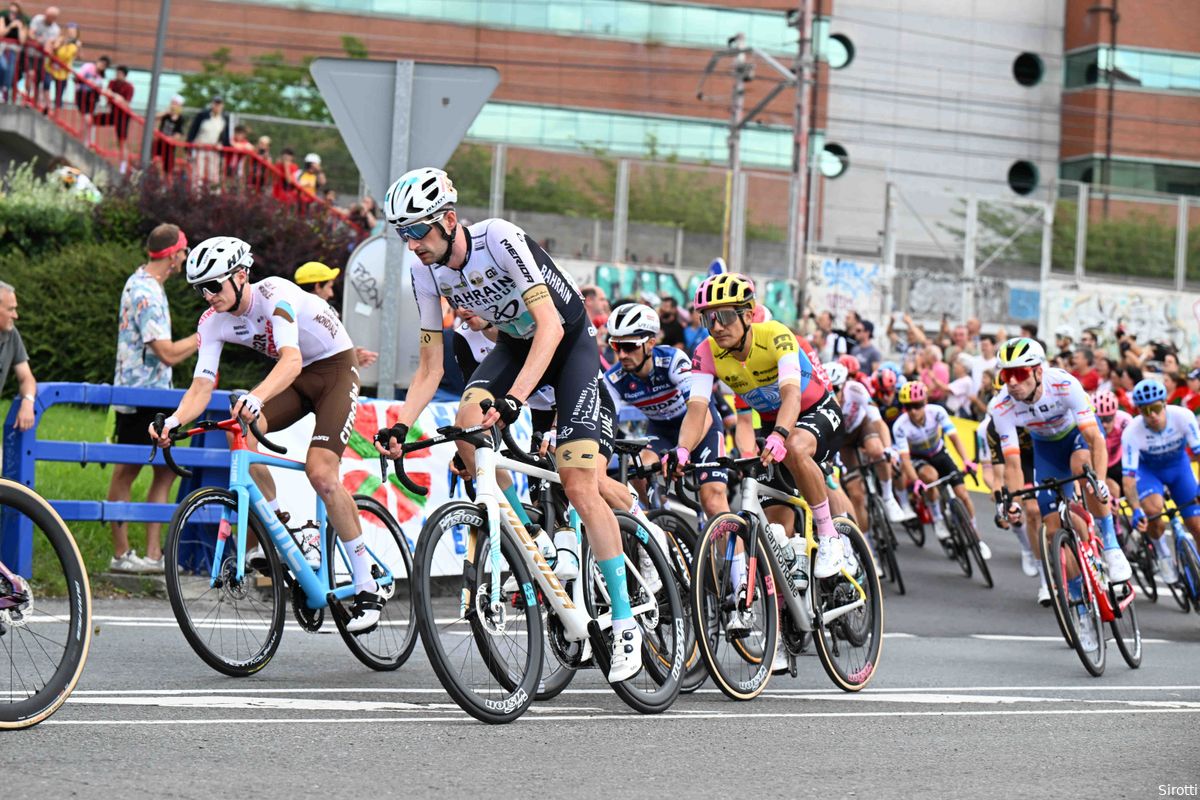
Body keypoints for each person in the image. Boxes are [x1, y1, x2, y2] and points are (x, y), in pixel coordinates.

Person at [376, 166, 643, 682]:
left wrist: (519, 398)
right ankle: (531, 536)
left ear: (448, 220)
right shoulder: (424, 271)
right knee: (467, 420)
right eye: (401, 233)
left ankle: (626, 620)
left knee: (578, 483)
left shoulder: (498, 239)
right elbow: (431, 366)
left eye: (416, 231)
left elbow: (549, 326)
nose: (410, 245)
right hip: (516, 346)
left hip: (568, 346)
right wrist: (400, 424)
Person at [150, 236, 384, 632]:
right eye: (199, 289)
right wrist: (172, 422)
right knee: (240, 431)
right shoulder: (213, 321)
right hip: (296, 377)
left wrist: (256, 397)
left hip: (333, 370)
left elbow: (291, 360)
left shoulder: (275, 293)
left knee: (322, 473)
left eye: (214, 285)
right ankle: (281, 529)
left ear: (241, 276)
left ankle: (367, 586)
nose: (207, 296)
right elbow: (201, 386)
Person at [992, 337, 1132, 643]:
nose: (1012, 382)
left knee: (1084, 468)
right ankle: (1082, 610)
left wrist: (1100, 482)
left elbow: (1095, 439)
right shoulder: (1001, 405)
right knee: (1054, 530)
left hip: (1077, 439)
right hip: (1046, 451)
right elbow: (1013, 464)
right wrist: (1014, 501)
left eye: (1019, 373)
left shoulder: (1064, 385)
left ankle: (1110, 546)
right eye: (1006, 375)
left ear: (1039, 371)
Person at [107, 225, 199, 573]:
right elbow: (166, 353)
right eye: (185, 250)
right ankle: (121, 556)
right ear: (172, 255)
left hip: (155, 394)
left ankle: (153, 555)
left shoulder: (149, 285)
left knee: (164, 473)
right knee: (127, 470)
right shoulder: (145, 290)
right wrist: (204, 336)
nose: (187, 257)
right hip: (140, 396)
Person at [1121, 379, 1200, 587]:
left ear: (1164, 403)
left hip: (1179, 468)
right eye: (1145, 411)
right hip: (1150, 473)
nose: (1152, 415)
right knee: (1154, 514)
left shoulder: (1183, 417)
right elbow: (1128, 479)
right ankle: (1163, 553)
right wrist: (1136, 509)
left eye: (1155, 408)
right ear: (1138, 410)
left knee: (1197, 526)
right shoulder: (1131, 432)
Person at [892, 381, 986, 555]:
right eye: (909, 407)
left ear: (925, 402)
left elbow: (954, 437)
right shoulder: (900, 425)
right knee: (930, 476)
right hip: (918, 458)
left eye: (917, 405)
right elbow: (905, 459)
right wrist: (916, 481)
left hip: (939, 452)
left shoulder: (937, 412)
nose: (913, 411)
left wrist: (966, 460)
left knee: (963, 494)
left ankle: (976, 536)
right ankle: (938, 519)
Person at [823, 361, 911, 527]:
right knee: (856, 494)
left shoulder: (856, 389)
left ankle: (888, 497)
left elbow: (878, 422)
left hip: (861, 426)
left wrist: (888, 448)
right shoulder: (821, 399)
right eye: (828, 389)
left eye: (836, 389)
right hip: (842, 440)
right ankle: (865, 540)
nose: (832, 394)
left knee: (877, 451)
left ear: (844, 384)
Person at [292, 261, 378, 368]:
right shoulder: (318, 317)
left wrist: (350, 357)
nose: (331, 294)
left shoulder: (292, 313)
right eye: (329, 287)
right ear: (318, 286)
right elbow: (320, 363)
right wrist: (351, 359)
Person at [0, 281, 36, 432]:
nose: (16, 316)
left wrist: (28, 401)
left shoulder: (11, 335)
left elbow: (26, 378)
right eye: (11, 309)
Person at [186, 95, 231, 185]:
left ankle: (213, 195)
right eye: (215, 103)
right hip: (200, 148)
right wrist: (191, 145)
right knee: (198, 174)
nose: (217, 106)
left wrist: (221, 145)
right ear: (212, 104)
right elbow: (193, 131)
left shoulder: (224, 119)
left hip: (214, 150)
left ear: (222, 105)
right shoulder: (203, 115)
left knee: (213, 175)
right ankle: (196, 196)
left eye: (219, 104)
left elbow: (225, 137)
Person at [24, 4, 56, 108]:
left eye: (49, 16)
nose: (46, 17)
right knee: (30, 74)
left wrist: (43, 43)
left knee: (38, 81)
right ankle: (27, 96)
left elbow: (49, 45)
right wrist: (38, 40)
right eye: (46, 15)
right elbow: (31, 33)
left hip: (41, 57)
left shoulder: (55, 29)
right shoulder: (38, 19)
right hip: (30, 53)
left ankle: (34, 102)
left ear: (54, 18)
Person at [153, 94, 186, 176]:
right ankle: (159, 180)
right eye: (172, 103)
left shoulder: (180, 118)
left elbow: (178, 134)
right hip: (160, 143)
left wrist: (169, 138)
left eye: (175, 103)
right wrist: (166, 112)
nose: (173, 105)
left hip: (169, 147)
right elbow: (155, 117)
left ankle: (166, 185)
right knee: (157, 160)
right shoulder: (166, 115)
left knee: (168, 170)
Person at [44, 19, 75, 110]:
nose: (71, 34)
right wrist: (61, 42)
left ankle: (57, 110)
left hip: (63, 71)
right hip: (52, 67)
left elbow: (71, 56)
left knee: (60, 92)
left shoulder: (74, 45)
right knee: (47, 84)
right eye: (69, 31)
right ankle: (48, 104)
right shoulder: (59, 39)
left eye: (73, 32)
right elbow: (54, 48)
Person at [0, 3, 26, 104]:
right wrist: (10, 26)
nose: (13, 14)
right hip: (1, 49)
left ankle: (5, 92)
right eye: (11, 12)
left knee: (10, 72)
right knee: (3, 66)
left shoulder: (21, 23)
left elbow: (22, 40)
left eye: (15, 12)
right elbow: (1, 33)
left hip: (13, 51)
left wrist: (19, 27)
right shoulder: (3, 19)